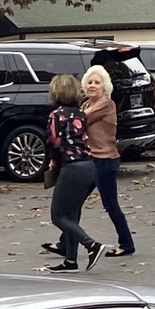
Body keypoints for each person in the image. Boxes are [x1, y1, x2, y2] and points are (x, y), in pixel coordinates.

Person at [41, 74, 100, 271]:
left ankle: (91, 245)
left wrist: (51, 164)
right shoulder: (80, 114)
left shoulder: (56, 115)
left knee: (58, 216)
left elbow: (54, 142)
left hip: (71, 167)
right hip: (89, 166)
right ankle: (70, 260)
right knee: (72, 214)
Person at [78, 64, 137, 258]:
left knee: (110, 204)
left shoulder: (106, 104)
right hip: (91, 160)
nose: (92, 85)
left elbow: (80, 121)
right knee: (75, 202)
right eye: (90, 82)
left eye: (97, 82)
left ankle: (127, 243)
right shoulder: (86, 104)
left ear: (105, 86)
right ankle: (65, 243)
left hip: (105, 161)